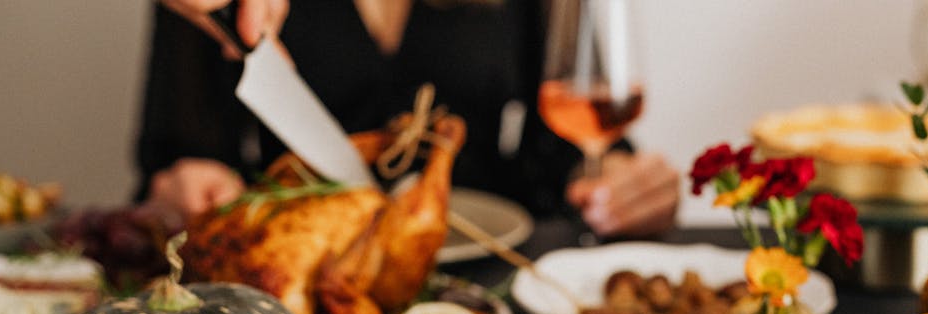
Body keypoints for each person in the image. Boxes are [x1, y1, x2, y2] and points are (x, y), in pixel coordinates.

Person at [140, 0, 680, 239]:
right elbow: (177, 155)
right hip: (295, 279)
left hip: (489, 282)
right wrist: (189, 187)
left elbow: (562, 149)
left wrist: (614, 178)